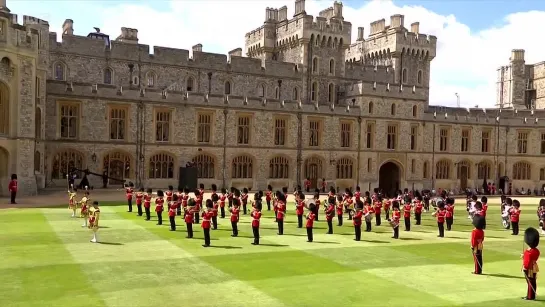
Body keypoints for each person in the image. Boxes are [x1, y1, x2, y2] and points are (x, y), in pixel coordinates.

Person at [522, 227, 540, 300]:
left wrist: (524, 267)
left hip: (529, 268)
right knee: (533, 281)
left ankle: (530, 296)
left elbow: (527, 262)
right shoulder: (536, 250)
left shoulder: (528, 252)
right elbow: (533, 258)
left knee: (529, 282)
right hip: (534, 266)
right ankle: (532, 295)